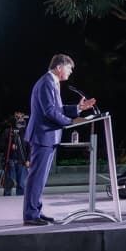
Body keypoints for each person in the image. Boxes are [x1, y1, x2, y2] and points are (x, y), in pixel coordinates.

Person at [21, 54, 96, 225]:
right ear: (59, 67)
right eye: (69, 68)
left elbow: (59, 109)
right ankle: (30, 215)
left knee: (41, 178)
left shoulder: (52, 82)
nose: (70, 72)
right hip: (42, 136)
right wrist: (70, 122)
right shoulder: (46, 82)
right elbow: (49, 111)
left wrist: (79, 108)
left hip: (48, 135)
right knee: (36, 177)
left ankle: (36, 211)